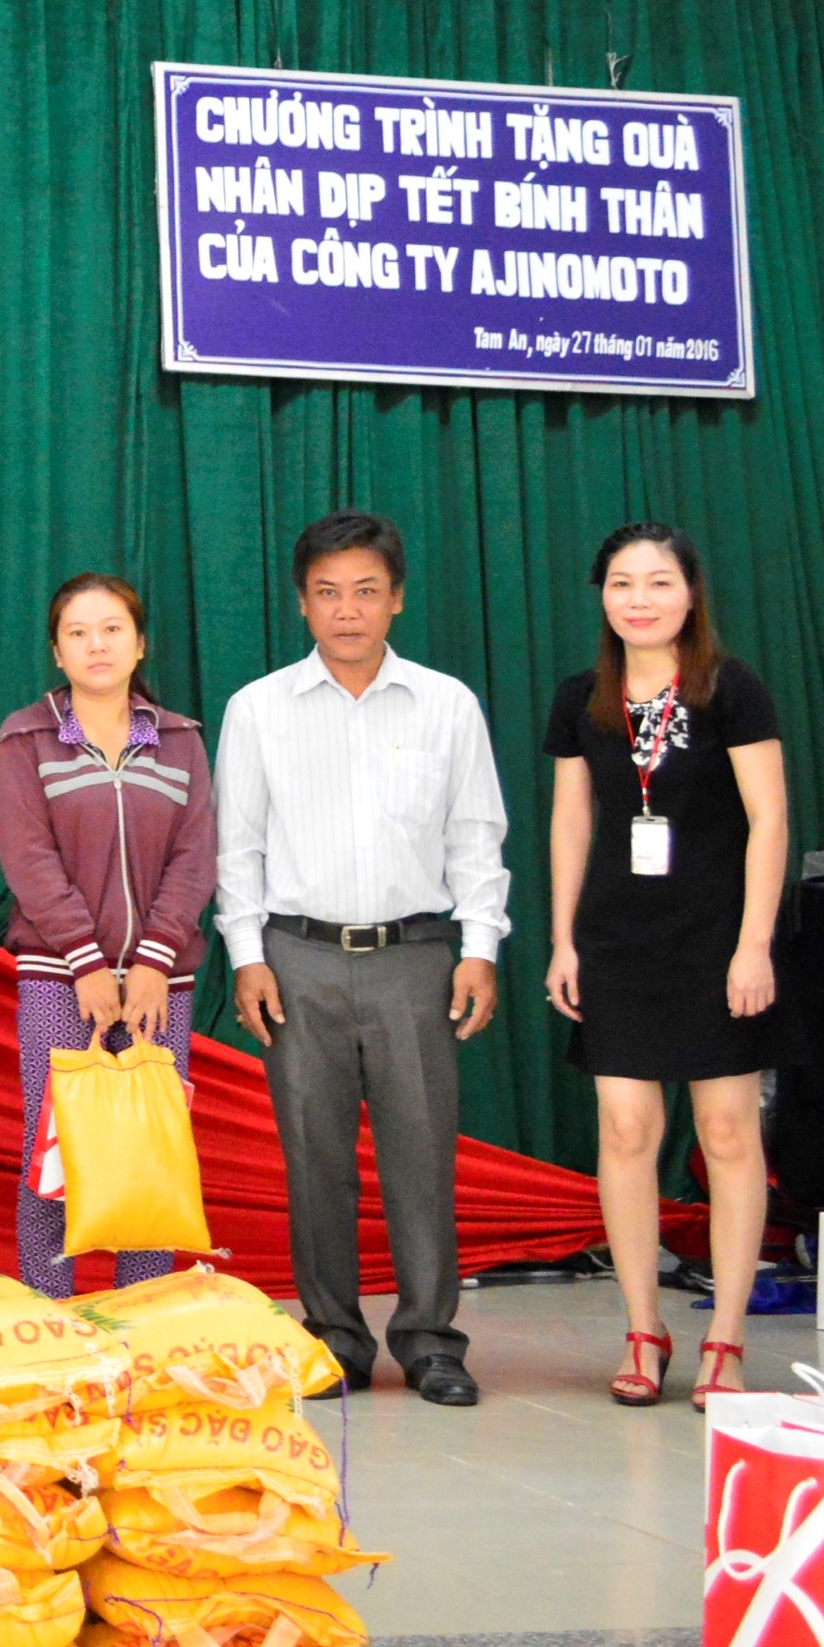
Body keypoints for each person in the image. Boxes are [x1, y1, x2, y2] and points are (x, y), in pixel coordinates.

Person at [216, 510, 509, 1408]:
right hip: (296, 959)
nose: (348, 611)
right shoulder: (259, 708)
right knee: (315, 1159)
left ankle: (430, 1340)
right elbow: (237, 847)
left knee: (421, 1154)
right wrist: (247, 955)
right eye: (328, 593)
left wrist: (480, 945)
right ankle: (334, 1337)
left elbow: (476, 836)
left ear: (397, 600)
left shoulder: (446, 705)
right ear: (302, 604)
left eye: (366, 592)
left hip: (415, 958)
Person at [539, 523, 785, 1412]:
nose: (639, 599)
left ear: (690, 594)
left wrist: (754, 944)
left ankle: (727, 1340)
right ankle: (644, 1329)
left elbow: (769, 820)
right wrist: (564, 939)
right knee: (626, 1131)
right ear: (602, 595)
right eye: (621, 583)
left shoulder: (730, 688)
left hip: (717, 939)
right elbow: (572, 821)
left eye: (658, 582)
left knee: (727, 1133)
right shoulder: (581, 697)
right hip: (618, 941)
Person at [0, 574, 218, 1299]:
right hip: (60, 978)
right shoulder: (25, 738)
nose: (97, 645)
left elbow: (195, 856)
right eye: (78, 632)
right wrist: (85, 961)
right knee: (54, 1151)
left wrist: (154, 959)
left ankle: (141, 1311)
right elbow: (27, 858)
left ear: (139, 644)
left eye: (112, 629)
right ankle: (51, 1313)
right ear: (57, 651)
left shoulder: (179, 741)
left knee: (151, 1151)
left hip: (161, 982)